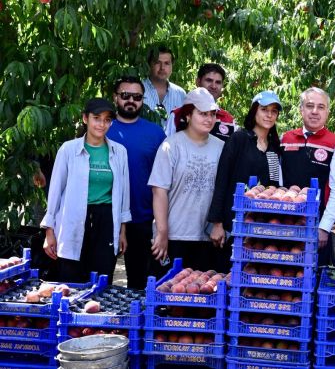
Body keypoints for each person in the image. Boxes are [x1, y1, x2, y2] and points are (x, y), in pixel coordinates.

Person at [41, 98, 131, 282]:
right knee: (71, 275)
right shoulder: (68, 150)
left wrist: (122, 231)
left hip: (106, 219)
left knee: (102, 277)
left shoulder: (119, 151)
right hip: (74, 218)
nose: (102, 124)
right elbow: (55, 191)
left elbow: (124, 195)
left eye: (107, 120)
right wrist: (49, 232)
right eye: (97, 118)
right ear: (85, 119)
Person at [148, 88, 224, 271]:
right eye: (203, 113)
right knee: (168, 293)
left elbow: (224, 191)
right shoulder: (171, 146)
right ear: (188, 115)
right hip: (174, 236)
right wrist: (162, 231)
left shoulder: (221, 147)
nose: (209, 119)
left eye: (212, 114)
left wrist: (219, 225)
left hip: (208, 238)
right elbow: (159, 191)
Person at [207, 90, 284, 271]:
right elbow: (222, 179)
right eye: (265, 109)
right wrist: (217, 223)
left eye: (274, 111)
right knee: (228, 273)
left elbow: (274, 186)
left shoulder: (274, 146)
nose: (269, 115)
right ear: (254, 111)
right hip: (233, 223)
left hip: (260, 226)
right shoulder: (239, 139)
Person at [107, 76, 166, 289]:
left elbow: (165, 178)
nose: (131, 101)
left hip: (142, 217)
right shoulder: (103, 129)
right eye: (125, 96)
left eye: (137, 97)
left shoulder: (155, 133)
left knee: (139, 283)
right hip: (107, 215)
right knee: (100, 278)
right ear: (115, 98)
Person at [281, 87, 335, 251]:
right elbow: (279, 181)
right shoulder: (286, 138)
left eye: (321, 107)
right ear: (301, 109)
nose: (315, 111)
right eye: (310, 106)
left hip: (316, 223)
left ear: (327, 112)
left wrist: (324, 227)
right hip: (285, 220)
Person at [165, 63, 237, 142]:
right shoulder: (177, 115)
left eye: (218, 82)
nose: (213, 86)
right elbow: (168, 147)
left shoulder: (228, 120)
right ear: (198, 82)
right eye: (209, 80)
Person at [143, 46, 186, 127]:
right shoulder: (138, 90)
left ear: (172, 66)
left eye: (167, 63)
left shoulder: (180, 94)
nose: (162, 68)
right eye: (157, 63)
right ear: (149, 64)